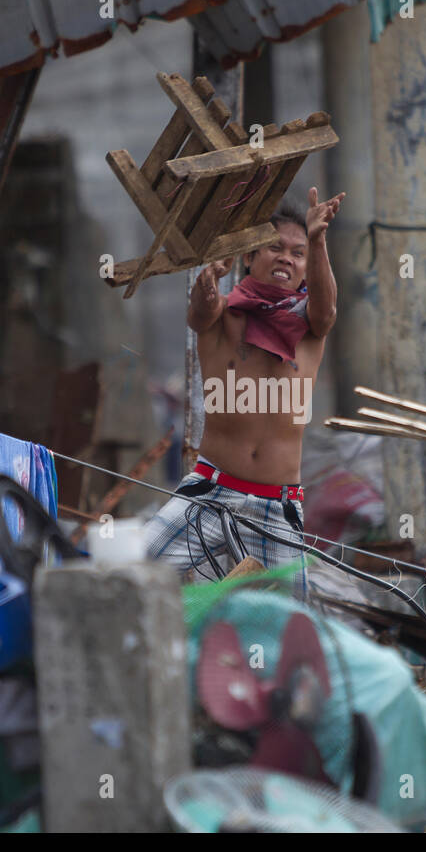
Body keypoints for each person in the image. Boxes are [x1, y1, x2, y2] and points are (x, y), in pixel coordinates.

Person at [144, 186, 345, 598]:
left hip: (277, 505)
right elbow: (200, 312)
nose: (287, 257)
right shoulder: (223, 314)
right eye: (275, 247)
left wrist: (318, 238)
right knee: (134, 577)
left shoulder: (309, 327)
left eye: (298, 252)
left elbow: (325, 309)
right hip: (210, 490)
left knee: (288, 628)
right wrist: (208, 280)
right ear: (250, 257)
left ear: (307, 267)